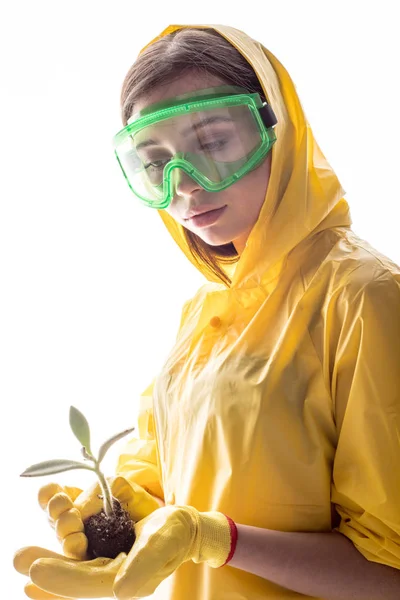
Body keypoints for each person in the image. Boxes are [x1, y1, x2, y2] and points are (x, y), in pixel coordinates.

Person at [14, 24, 400, 600]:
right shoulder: (204, 312)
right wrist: (118, 516)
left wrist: (215, 539)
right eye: (156, 161)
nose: (186, 187)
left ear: (277, 129)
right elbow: (173, 481)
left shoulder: (365, 296)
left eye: (213, 142)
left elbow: (390, 573)